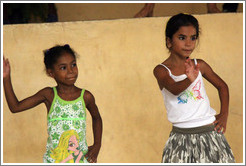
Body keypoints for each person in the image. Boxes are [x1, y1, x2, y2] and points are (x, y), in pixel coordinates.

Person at [153, 13, 235, 163]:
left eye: (193, 37)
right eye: (182, 38)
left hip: (210, 133)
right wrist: (191, 79)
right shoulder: (161, 70)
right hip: (180, 138)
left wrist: (224, 115)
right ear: (169, 41)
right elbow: (174, 89)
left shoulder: (199, 65)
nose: (189, 43)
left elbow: (222, 86)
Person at [3, 44, 102, 163]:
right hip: (53, 161)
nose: (71, 71)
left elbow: (97, 118)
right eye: (63, 68)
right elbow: (15, 107)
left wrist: (97, 145)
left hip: (80, 161)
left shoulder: (85, 96)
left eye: (73, 65)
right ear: (51, 73)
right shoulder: (49, 95)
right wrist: (6, 77)